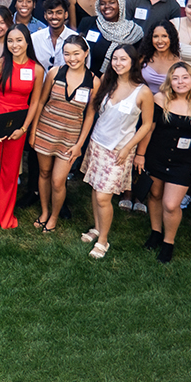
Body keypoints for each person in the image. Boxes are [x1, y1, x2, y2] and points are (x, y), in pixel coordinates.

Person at [78, 44, 154, 258]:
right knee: (95, 187)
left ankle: (103, 240)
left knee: (104, 196)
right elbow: (94, 111)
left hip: (120, 150)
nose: (118, 63)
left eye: (123, 59)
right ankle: (96, 227)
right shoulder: (106, 81)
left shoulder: (143, 91)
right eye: (115, 59)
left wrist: (130, 148)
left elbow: (147, 125)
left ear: (133, 63)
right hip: (98, 143)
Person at [137, 63, 191, 262]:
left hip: (184, 162)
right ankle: (155, 232)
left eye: (185, 77)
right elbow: (149, 129)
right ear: (170, 81)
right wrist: (141, 155)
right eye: (176, 78)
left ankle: (168, 242)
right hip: (157, 156)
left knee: (171, 204)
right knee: (154, 195)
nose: (180, 82)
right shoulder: (159, 99)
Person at [0, 24, 46, 227]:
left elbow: (35, 102)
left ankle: (6, 213)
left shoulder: (37, 69)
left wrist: (23, 129)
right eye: (10, 41)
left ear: (27, 42)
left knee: (10, 170)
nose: (14, 45)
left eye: (19, 40)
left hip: (19, 120)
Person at [28, 34, 97, 232]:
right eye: (67, 54)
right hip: (45, 131)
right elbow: (40, 102)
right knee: (44, 173)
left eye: (76, 53)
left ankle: (54, 216)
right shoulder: (54, 73)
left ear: (86, 53)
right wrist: (33, 132)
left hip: (70, 138)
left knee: (58, 181)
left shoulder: (94, 81)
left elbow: (90, 115)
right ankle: (43, 211)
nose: (72, 58)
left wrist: (79, 145)